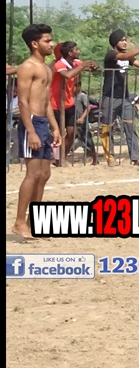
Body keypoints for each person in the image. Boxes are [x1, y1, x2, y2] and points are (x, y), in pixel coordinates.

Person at [13, 24, 63, 240]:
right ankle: (19, 222)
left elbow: (47, 102)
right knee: (32, 174)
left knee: (44, 174)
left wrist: (55, 127)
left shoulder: (46, 68)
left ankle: (33, 222)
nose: (51, 44)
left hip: (43, 122)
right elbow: (23, 102)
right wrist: (31, 131)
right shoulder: (27, 67)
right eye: (47, 41)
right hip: (32, 122)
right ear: (34, 44)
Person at [101, 29, 139, 166]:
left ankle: (135, 157)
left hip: (125, 97)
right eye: (122, 40)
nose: (125, 42)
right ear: (115, 42)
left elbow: (137, 63)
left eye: (125, 40)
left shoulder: (127, 57)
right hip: (110, 96)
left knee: (130, 125)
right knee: (107, 128)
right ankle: (110, 158)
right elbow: (123, 57)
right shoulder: (111, 54)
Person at [49, 41, 97, 167]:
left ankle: (61, 158)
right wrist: (82, 66)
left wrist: (93, 65)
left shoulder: (75, 63)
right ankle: (56, 157)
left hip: (69, 103)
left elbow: (88, 66)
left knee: (72, 132)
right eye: (76, 49)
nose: (79, 51)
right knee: (58, 133)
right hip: (55, 104)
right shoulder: (59, 64)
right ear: (70, 53)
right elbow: (67, 74)